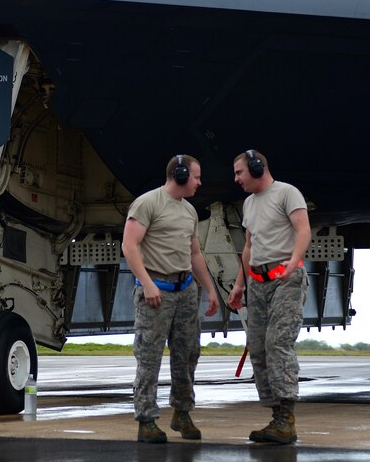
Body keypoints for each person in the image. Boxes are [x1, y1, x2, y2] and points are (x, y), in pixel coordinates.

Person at [122, 154, 220, 443]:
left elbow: (194, 253)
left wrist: (210, 289)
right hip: (156, 292)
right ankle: (147, 419)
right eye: (196, 176)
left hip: (186, 290)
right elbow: (130, 246)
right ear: (179, 175)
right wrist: (147, 284)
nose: (200, 182)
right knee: (149, 356)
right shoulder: (147, 204)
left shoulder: (189, 211)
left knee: (188, 353)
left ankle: (182, 411)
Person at [227, 149, 311, 444]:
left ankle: (287, 418)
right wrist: (239, 284)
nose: (236, 179)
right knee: (259, 348)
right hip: (258, 283)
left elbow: (303, 230)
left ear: (256, 167)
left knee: (278, 342)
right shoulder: (249, 204)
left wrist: (293, 261)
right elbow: (249, 247)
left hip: (286, 280)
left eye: (239, 172)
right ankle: (276, 416)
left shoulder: (287, 193)